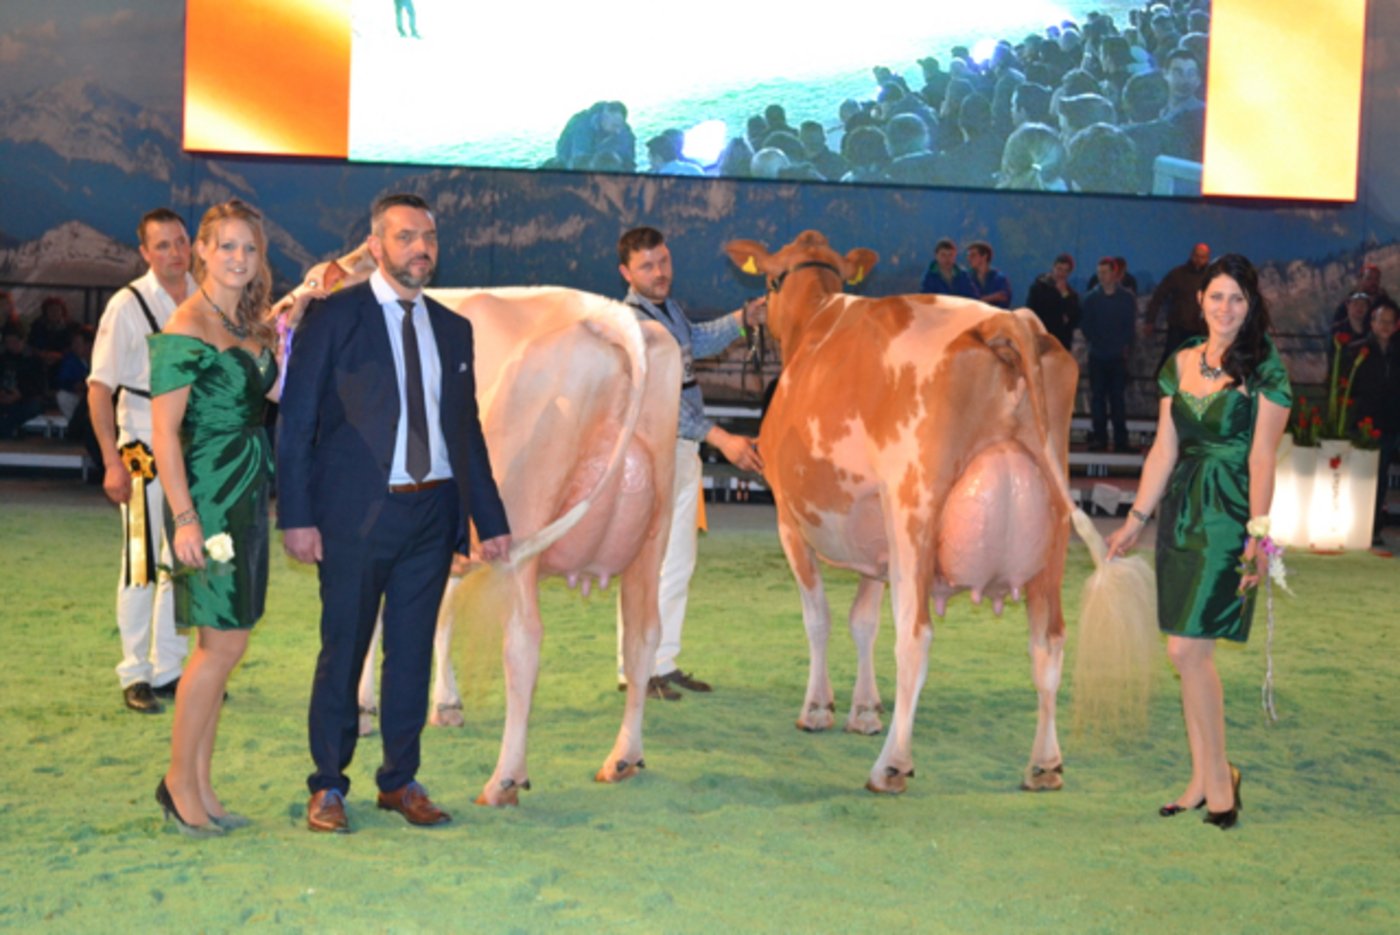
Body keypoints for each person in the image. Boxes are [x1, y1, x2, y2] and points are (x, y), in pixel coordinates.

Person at [278, 193, 511, 833]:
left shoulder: (453, 328)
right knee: (344, 649)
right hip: (354, 517)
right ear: (376, 247)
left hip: (432, 516)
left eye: (429, 237)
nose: (421, 249)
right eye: (406, 237)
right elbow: (295, 424)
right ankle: (327, 784)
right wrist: (296, 515)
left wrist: (489, 520)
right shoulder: (331, 319)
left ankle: (399, 780)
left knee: (411, 655)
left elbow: (466, 433)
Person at [1106, 253, 1292, 831]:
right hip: (1182, 516)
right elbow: (1164, 449)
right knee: (1184, 653)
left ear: (1251, 305)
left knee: (1190, 651)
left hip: (1229, 517)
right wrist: (1137, 518)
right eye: (1217, 296)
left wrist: (1257, 538)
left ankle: (1219, 786)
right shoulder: (1179, 361)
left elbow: (1263, 458)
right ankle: (1203, 775)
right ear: (1199, 302)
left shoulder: (1266, 367)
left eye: (1238, 298)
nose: (1226, 308)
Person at [148, 199, 289, 837]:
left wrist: (292, 322)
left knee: (223, 646)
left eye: (249, 249)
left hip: (247, 492)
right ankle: (179, 782)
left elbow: (275, 394)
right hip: (204, 498)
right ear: (200, 250)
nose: (238, 258)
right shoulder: (186, 325)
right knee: (220, 646)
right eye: (226, 246)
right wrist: (183, 519)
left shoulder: (250, 322)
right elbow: (165, 434)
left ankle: (202, 783)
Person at [614, 226, 765, 700]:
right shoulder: (632, 324)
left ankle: (663, 660)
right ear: (626, 272)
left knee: (677, 562)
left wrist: (743, 318)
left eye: (663, 261)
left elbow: (695, 341)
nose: (659, 273)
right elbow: (662, 403)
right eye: (647, 266)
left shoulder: (669, 310)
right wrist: (721, 437)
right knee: (646, 565)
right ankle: (635, 669)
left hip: (681, 452)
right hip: (650, 455)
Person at [88, 208, 196, 713]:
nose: (175, 253)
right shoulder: (125, 305)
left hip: (192, 448)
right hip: (137, 447)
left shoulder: (206, 296)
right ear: (145, 253)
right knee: (140, 562)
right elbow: (99, 388)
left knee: (183, 560)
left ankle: (170, 667)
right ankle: (135, 673)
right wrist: (111, 460)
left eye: (181, 242)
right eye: (163, 245)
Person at [1347, 299, 1400, 546]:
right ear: (1372, 322)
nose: (1386, 326)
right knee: (1360, 475)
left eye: (1391, 321)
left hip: (1390, 422)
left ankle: (1374, 529)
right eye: (1381, 320)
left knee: (1380, 477)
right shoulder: (1357, 349)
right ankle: (1353, 524)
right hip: (1364, 422)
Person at [1079, 257, 1138, 452]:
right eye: (1099, 273)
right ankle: (1099, 438)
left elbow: (1129, 327)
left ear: (1114, 273)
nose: (1101, 277)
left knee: (1117, 399)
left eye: (1104, 272)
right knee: (1098, 399)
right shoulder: (1090, 299)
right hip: (1097, 355)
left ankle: (1121, 440)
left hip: (1117, 356)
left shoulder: (1127, 299)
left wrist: (1120, 345)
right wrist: (1099, 342)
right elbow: (1086, 326)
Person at [1146, 241, 1210, 369]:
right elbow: (1159, 295)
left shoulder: (1211, 278)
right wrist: (1150, 321)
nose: (1198, 260)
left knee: (1196, 367)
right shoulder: (1177, 274)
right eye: (1197, 256)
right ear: (1191, 255)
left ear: (1207, 258)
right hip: (1178, 329)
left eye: (1202, 257)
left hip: (1200, 331)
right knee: (1170, 364)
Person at [1025, 253, 1079, 350]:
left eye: (1065, 271)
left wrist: (1064, 295)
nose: (1061, 274)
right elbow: (1030, 311)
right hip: (1040, 338)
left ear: (1069, 273)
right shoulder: (1038, 287)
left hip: (1060, 342)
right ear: (1053, 267)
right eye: (1059, 269)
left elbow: (1073, 317)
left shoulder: (1071, 295)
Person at [0, 321, 45, 438]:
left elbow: (39, 386)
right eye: (8, 342)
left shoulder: (34, 359)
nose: (11, 345)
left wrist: (20, 394)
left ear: (23, 341)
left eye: (15, 342)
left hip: (27, 398)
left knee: (21, 410)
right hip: (5, 396)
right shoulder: (3, 358)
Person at [966, 240, 1011, 308]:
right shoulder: (968, 278)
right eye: (969, 255)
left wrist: (979, 300)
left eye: (973, 255)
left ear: (984, 256)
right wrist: (993, 297)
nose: (969, 258)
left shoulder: (999, 278)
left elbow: (1004, 297)